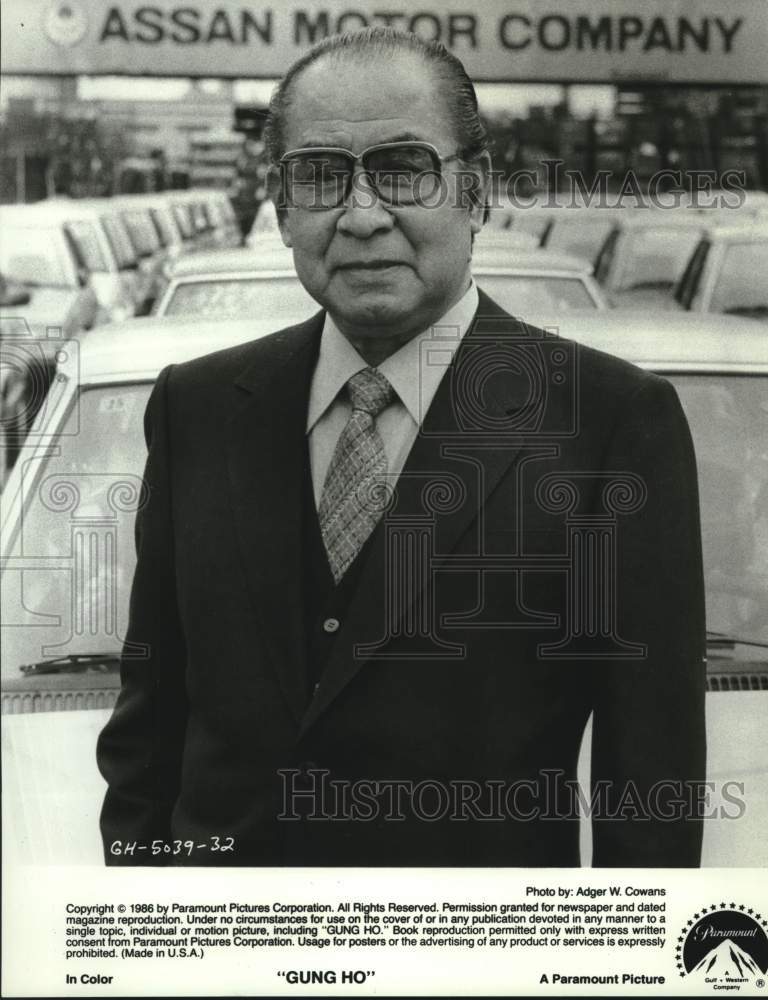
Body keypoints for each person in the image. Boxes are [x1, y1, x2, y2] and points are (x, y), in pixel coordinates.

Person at [97, 28, 706, 867]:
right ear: (279, 208)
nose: (361, 214)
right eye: (319, 176)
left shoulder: (607, 423)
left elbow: (651, 780)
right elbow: (149, 726)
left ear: (477, 192)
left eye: (402, 169)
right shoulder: (196, 407)